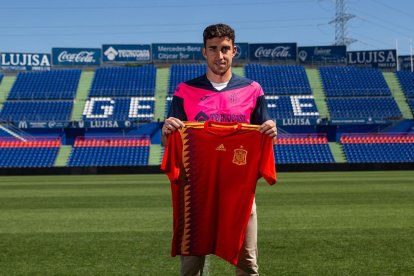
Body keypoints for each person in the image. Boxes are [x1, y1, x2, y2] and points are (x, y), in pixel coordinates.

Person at [162, 23, 277, 276]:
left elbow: (262, 132)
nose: (219, 55)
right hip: (195, 191)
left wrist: (270, 129)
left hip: (239, 190)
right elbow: (170, 143)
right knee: (190, 265)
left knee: (247, 262)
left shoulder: (253, 90)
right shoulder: (185, 91)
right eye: (213, 49)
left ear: (234, 50)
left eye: (225, 49)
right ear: (204, 52)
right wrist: (167, 130)